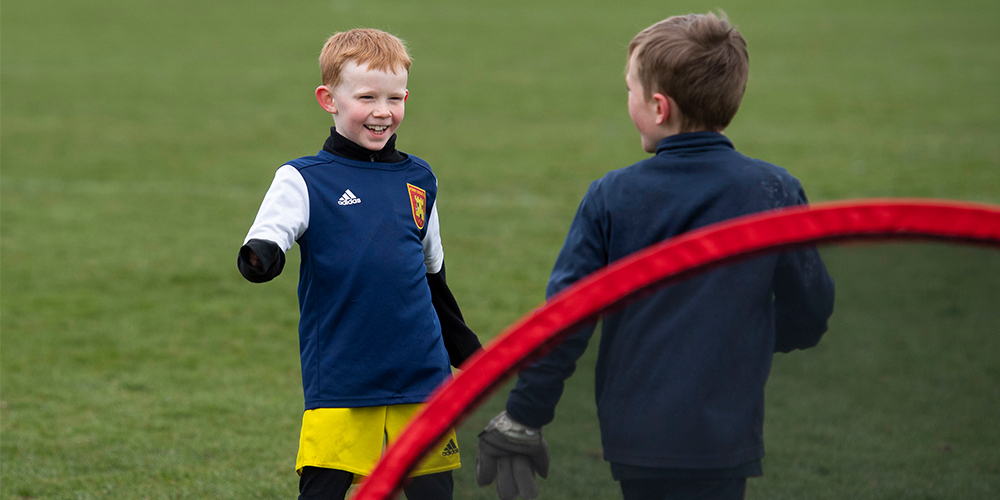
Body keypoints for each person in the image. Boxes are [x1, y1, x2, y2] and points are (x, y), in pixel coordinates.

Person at [475, 12, 835, 500]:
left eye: (629, 90)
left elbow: (566, 319)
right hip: (725, 435)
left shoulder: (611, 196)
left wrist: (523, 417)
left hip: (636, 437)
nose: (627, 101)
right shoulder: (774, 190)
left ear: (659, 107)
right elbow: (811, 313)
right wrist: (740, 340)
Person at [237, 28, 481, 500]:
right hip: (345, 376)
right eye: (366, 96)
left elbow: (432, 275)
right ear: (328, 99)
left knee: (434, 491)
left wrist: (467, 350)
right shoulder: (304, 178)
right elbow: (271, 233)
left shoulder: (420, 179)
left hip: (422, 375)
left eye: (395, 97)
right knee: (324, 489)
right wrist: (260, 256)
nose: (382, 111)